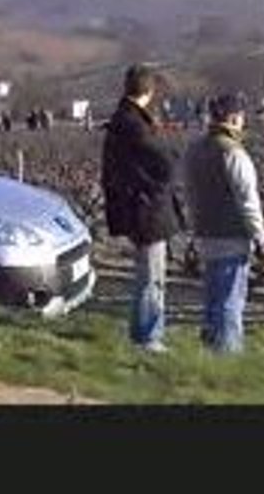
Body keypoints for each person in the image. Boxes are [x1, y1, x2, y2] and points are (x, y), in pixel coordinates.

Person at [101, 64, 184, 353]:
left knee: (148, 274)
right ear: (149, 91)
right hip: (147, 209)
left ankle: (143, 332)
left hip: (135, 206)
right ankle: (148, 337)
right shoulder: (135, 125)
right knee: (152, 277)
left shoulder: (121, 121)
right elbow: (165, 161)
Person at [183, 93, 264, 353]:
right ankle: (227, 353)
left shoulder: (194, 149)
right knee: (230, 299)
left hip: (205, 231)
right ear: (233, 118)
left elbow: (188, 192)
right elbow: (247, 198)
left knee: (212, 295)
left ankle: (209, 346)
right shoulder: (234, 152)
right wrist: (259, 234)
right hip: (232, 234)